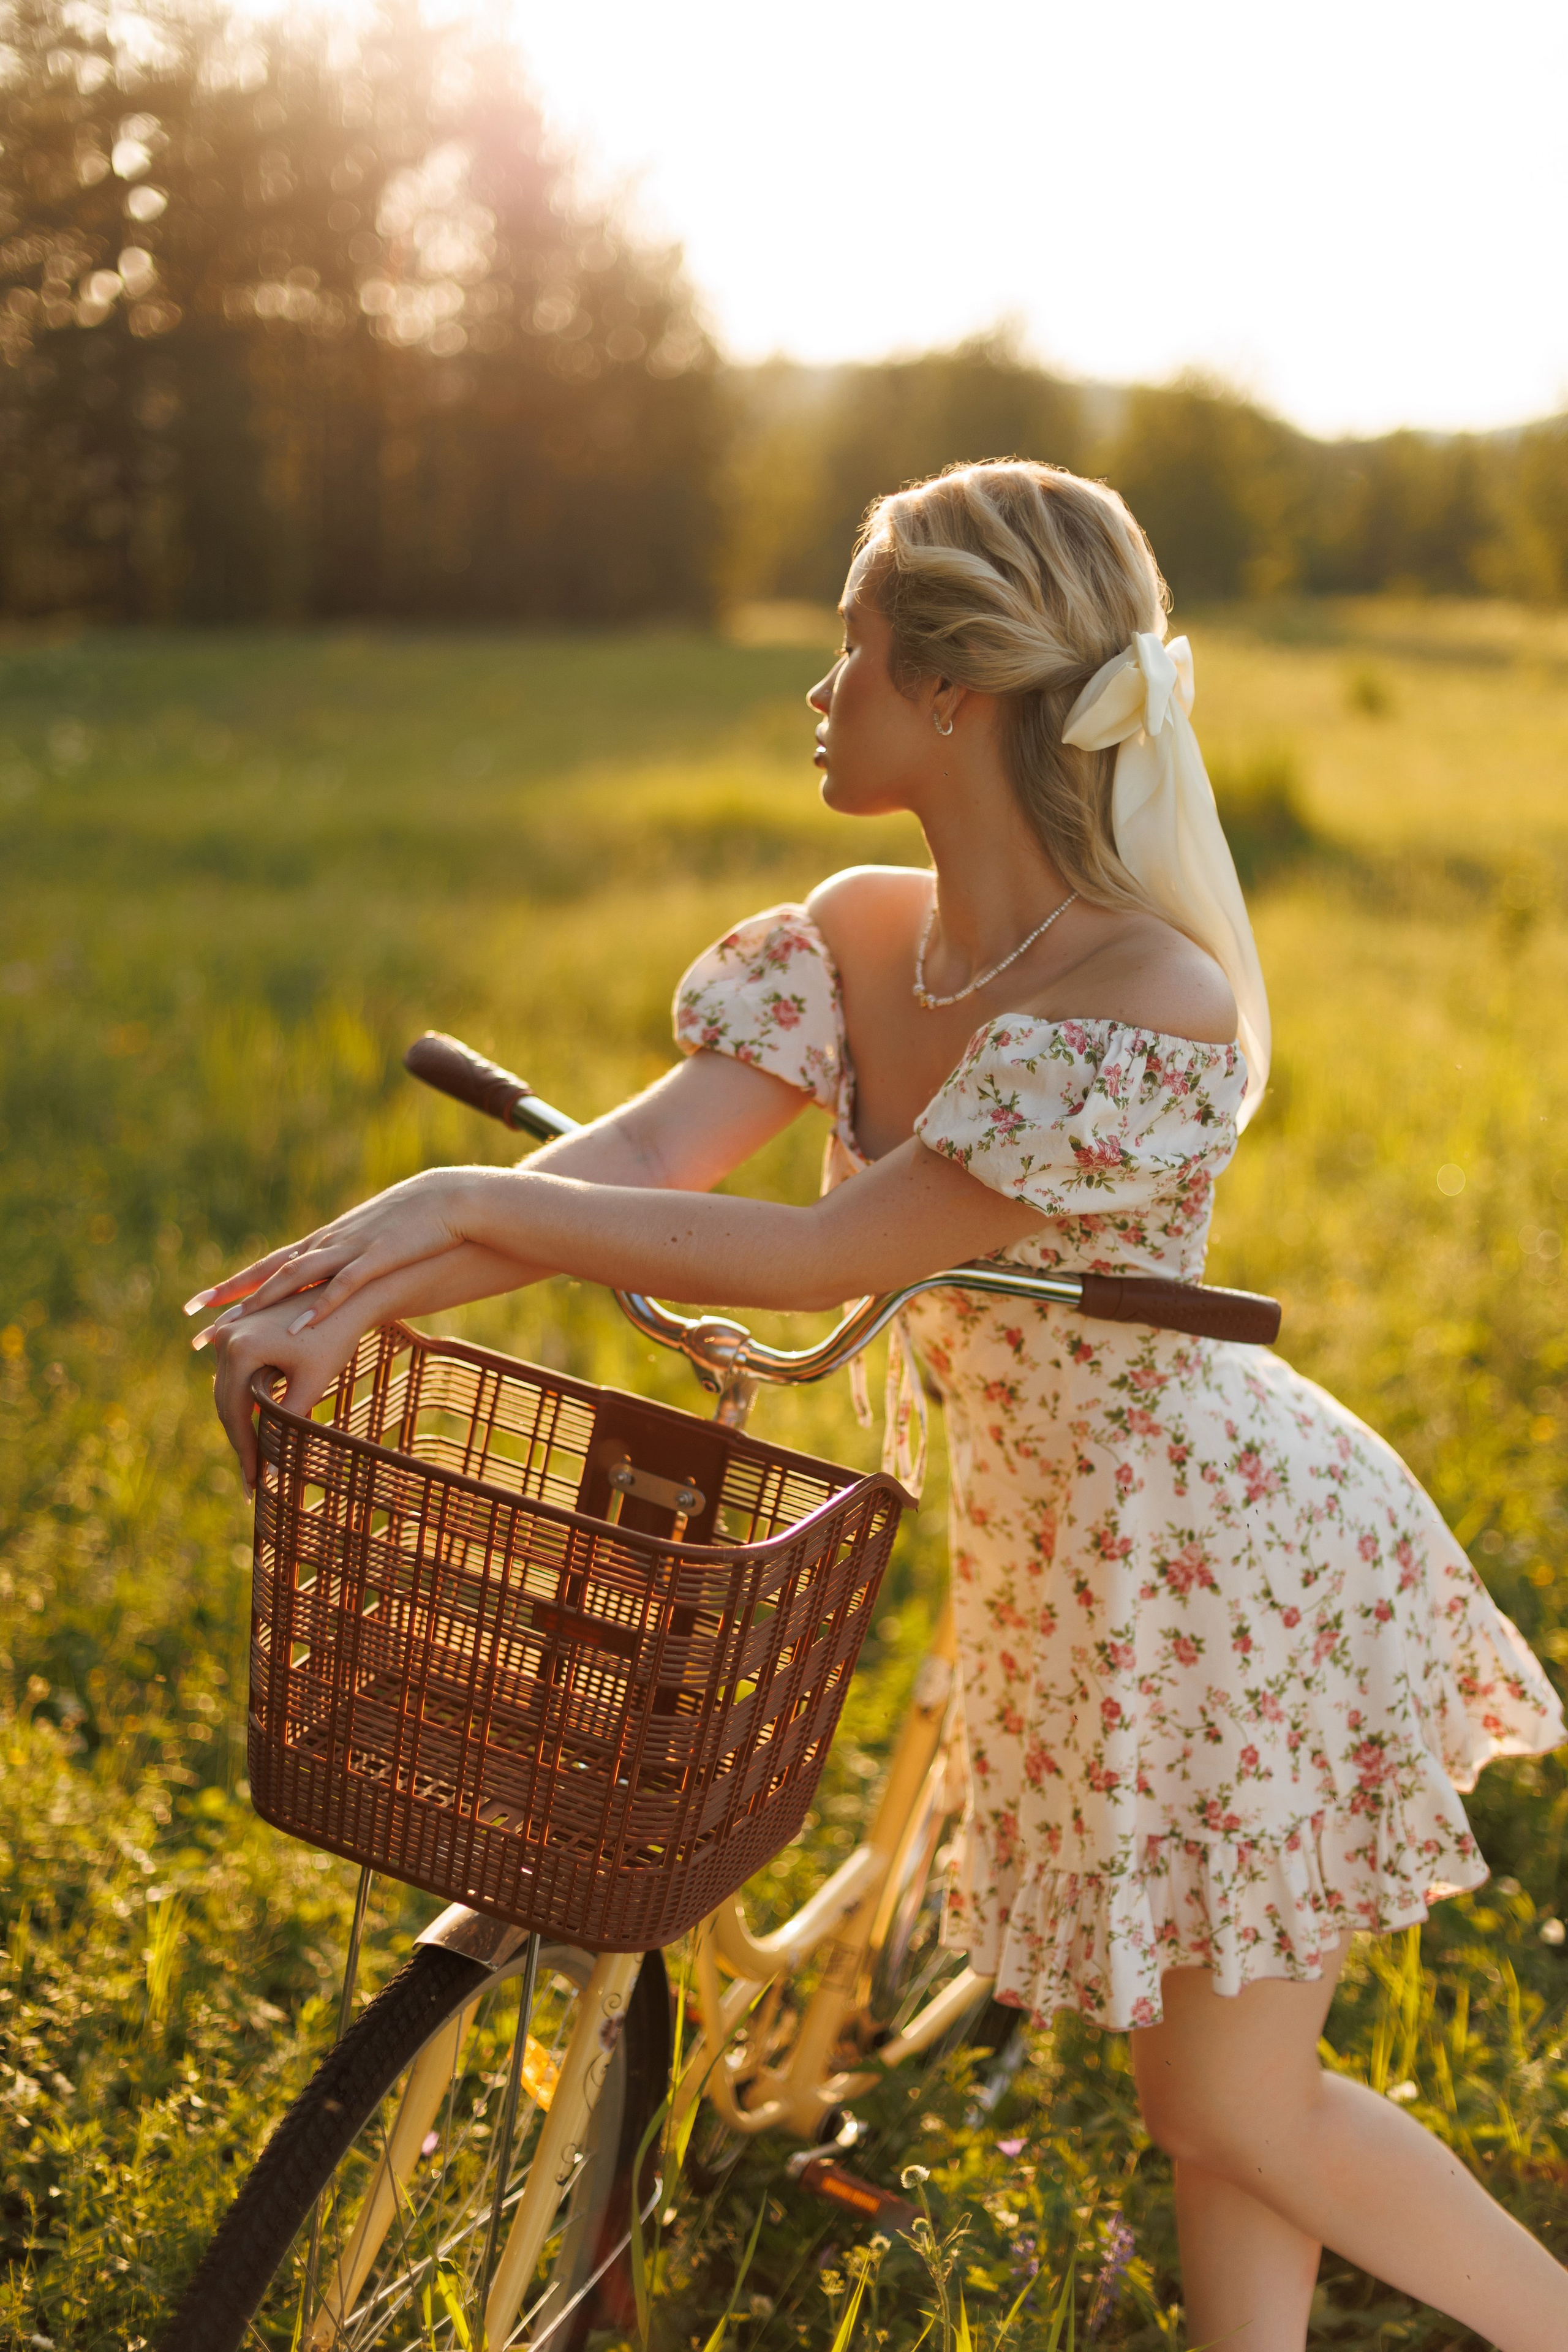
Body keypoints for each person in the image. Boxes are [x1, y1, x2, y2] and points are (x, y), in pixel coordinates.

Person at [191, 461, 1566, 2350]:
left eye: (852, 646)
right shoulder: (852, 933)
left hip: (1239, 1568)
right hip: (1067, 1567)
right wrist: (344, 1290)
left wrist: (453, 1199)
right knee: (1208, 2112)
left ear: (959, 691)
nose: (821, 689)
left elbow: (835, 1249)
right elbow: (641, 1163)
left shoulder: (1141, 999)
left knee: (1226, 2101)